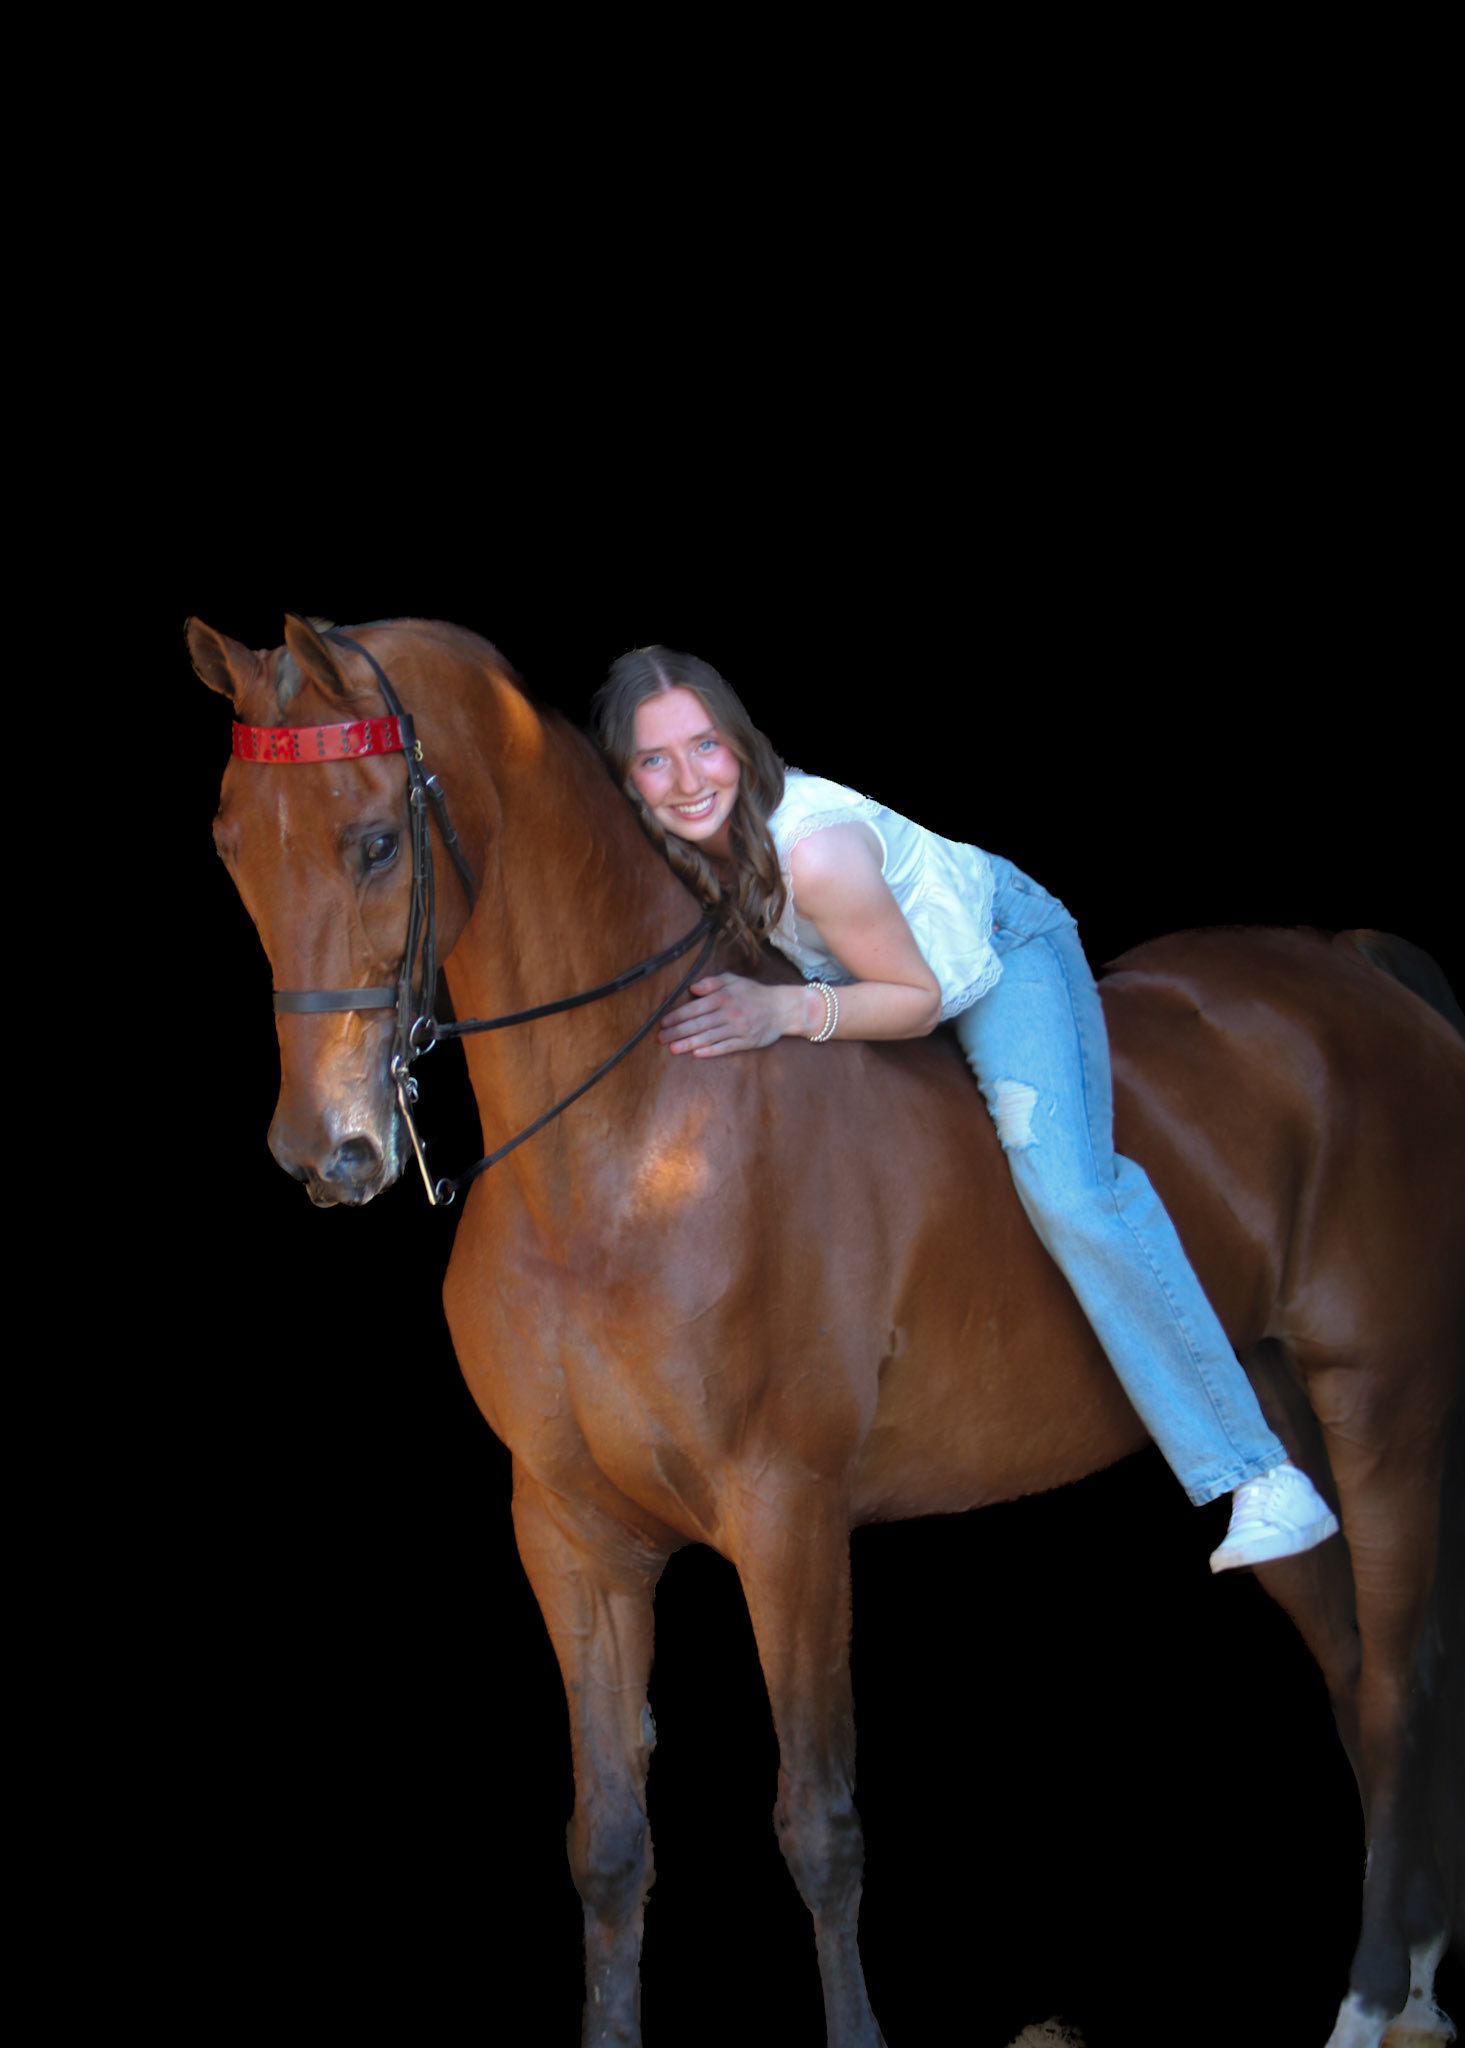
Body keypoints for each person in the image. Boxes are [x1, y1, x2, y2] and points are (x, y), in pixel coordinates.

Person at [590, 647, 1341, 1573]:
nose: (686, 780)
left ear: (740, 745)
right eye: (654, 759)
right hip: (860, 965)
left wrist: (783, 1011)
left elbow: (914, 999)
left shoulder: (813, 852)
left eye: (704, 746)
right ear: (625, 776)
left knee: (1071, 1191)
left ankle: (1258, 1473)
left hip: (989, 954)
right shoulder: (667, 845)